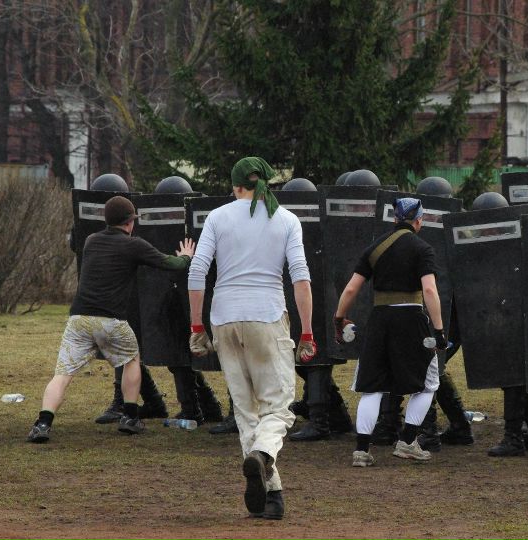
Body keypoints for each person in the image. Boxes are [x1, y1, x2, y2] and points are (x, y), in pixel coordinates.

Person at [187, 156, 315, 520]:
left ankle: (272, 496)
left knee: (247, 412)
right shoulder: (287, 220)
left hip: (224, 319)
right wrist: (306, 331)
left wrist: (197, 328)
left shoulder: (218, 217)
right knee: (279, 407)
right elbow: (300, 279)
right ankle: (263, 457)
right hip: (267, 317)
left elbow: (198, 272)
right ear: (267, 183)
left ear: (235, 185)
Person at [27, 196, 195, 443]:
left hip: (79, 319)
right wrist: (186, 256)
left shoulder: (91, 241)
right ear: (130, 222)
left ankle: (42, 423)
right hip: (112, 321)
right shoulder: (133, 245)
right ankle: (129, 417)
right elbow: (169, 263)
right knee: (131, 359)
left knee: (62, 373)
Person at [334, 197, 446, 467]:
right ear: (419, 221)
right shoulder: (423, 248)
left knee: (371, 388)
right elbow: (429, 290)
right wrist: (439, 329)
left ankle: (361, 451)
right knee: (428, 383)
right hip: (412, 320)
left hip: (380, 320)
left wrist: (339, 319)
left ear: (395, 219)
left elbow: (351, 289)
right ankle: (407, 441)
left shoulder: (375, 248)